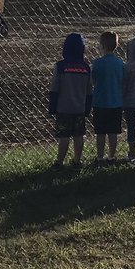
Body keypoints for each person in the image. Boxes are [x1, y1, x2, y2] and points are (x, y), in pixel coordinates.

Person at [49, 32, 91, 168]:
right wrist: (87, 108)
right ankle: (77, 161)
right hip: (79, 108)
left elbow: (54, 88)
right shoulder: (86, 68)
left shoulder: (60, 66)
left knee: (64, 136)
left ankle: (59, 162)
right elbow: (89, 91)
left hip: (63, 108)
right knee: (79, 135)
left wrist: (52, 107)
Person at [91, 31, 125, 163]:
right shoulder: (120, 63)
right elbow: (123, 80)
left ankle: (100, 157)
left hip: (100, 102)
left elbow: (93, 81)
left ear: (102, 46)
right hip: (116, 102)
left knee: (100, 132)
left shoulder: (97, 63)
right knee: (113, 132)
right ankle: (111, 156)